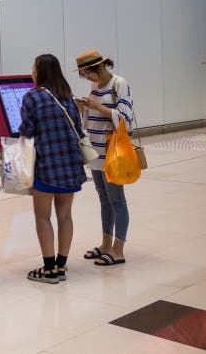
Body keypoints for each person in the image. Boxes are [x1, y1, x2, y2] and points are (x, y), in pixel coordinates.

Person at [20, 54, 87, 284]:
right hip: (69, 164)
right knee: (65, 215)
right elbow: (78, 127)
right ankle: (61, 264)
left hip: (46, 165)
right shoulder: (68, 97)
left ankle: (48, 269)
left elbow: (27, 131)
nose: (31, 70)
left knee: (42, 216)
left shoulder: (32, 97)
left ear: (40, 71)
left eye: (33, 66)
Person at [74, 50, 134, 267]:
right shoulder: (94, 86)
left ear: (99, 68)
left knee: (117, 199)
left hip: (113, 152)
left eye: (87, 74)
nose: (87, 79)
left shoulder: (119, 83)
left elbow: (125, 118)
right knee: (104, 200)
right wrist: (83, 108)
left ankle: (119, 249)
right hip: (96, 151)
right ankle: (106, 243)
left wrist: (97, 107)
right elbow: (90, 118)